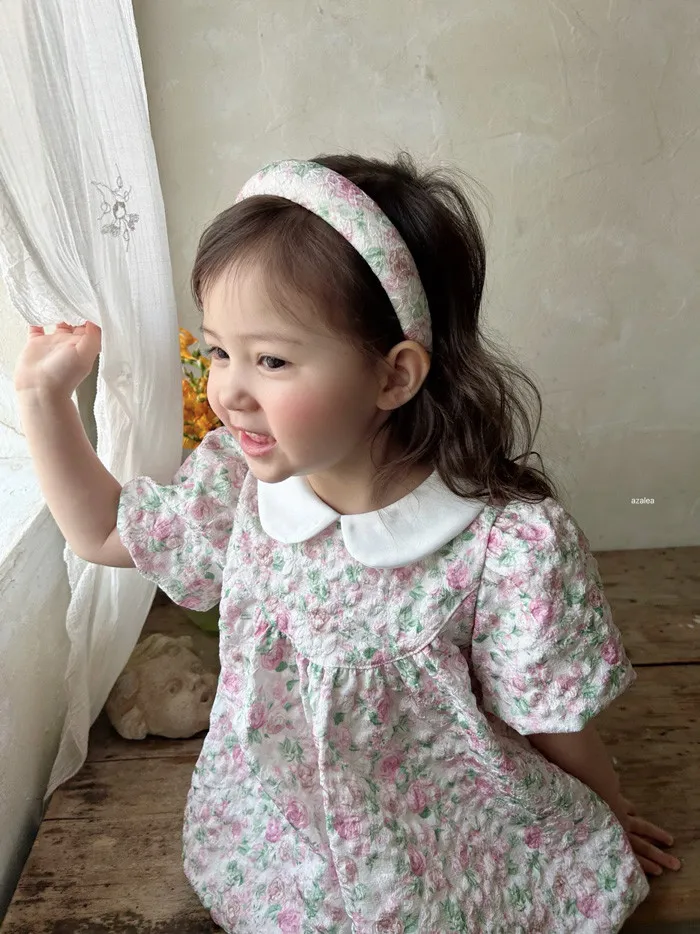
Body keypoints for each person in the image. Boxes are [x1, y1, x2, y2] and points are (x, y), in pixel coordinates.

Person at [15, 154, 680, 932]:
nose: (227, 391)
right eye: (220, 350)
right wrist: (41, 397)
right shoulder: (237, 488)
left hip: (448, 845)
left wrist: (602, 818)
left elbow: (551, 716)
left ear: (394, 376)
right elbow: (103, 531)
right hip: (277, 844)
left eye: (271, 360)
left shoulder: (503, 545)